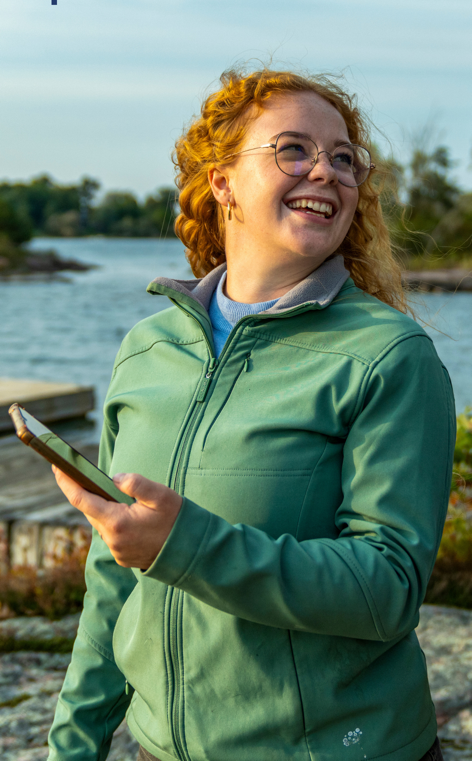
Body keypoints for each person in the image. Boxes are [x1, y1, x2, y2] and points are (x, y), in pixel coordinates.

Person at [48, 68, 455, 761]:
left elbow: (387, 588)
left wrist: (187, 545)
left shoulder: (389, 356)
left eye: (344, 158)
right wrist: (74, 744)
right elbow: (113, 576)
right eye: (293, 149)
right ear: (223, 183)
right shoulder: (148, 349)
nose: (326, 172)